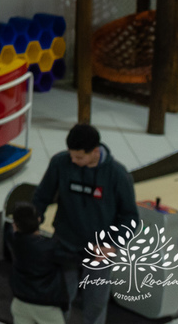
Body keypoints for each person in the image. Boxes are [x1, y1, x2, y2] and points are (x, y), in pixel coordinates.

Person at [30, 123, 138, 324]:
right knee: (60, 296)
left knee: (95, 303)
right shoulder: (60, 163)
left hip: (100, 250)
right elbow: (41, 197)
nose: (73, 160)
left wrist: (113, 244)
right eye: (71, 155)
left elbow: (130, 218)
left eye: (79, 157)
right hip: (65, 242)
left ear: (95, 152)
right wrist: (34, 219)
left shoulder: (117, 175)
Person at [9, 201, 68, 324]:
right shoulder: (51, 247)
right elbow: (73, 256)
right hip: (46, 307)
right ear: (39, 219)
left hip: (20, 303)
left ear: (15, 225)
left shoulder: (13, 241)